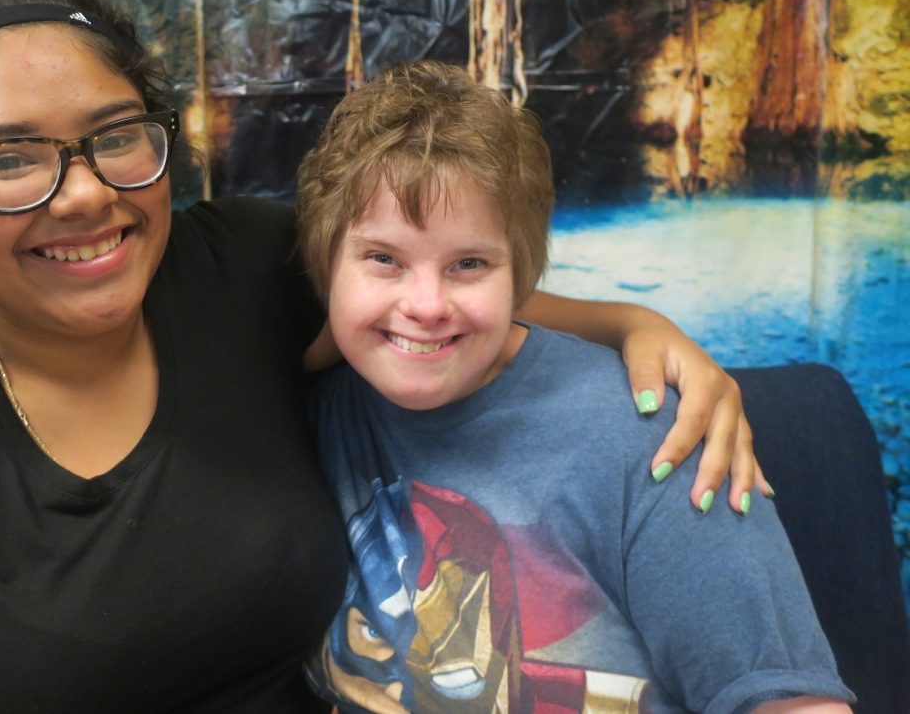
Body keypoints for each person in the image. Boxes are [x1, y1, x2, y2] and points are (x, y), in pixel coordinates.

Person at [0, 0, 757, 712]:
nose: (83, 194)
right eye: (9, 158)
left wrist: (636, 328)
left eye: (115, 137)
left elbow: (452, 304)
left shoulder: (248, 272)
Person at [296, 62, 853, 713]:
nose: (426, 305)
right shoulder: (304, 409)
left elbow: (794, 705)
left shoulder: (655, 437)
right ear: (325, 265)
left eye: (469, 263)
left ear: (519, 272)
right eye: (384, 259)